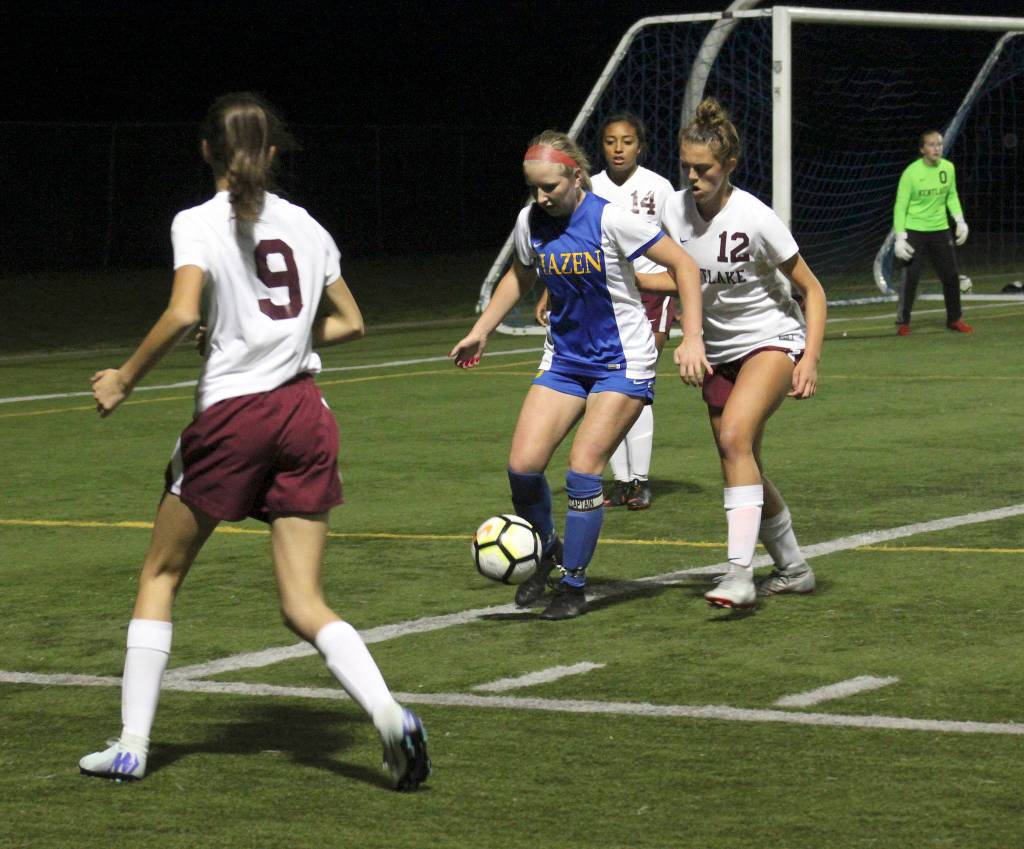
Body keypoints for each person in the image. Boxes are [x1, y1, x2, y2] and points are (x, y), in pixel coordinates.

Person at [79, 93, 430, 791]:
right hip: (306, 413)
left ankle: (131, 743)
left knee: (160, 574)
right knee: (303, 601)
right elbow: (352, 323)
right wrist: (276, 337)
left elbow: (183, 312)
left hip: (237, 417)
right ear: (274, 154)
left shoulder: (198, 221)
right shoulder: (307, 225)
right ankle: (388, 712)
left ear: (206, 151)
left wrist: (122, 378)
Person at [450, 130, 705, 620]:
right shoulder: (532, 221)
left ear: (576, 175)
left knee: (584, 469)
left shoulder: (612, 217)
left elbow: (684, 267)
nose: (541, 198)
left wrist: (691, 337)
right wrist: (483, 330)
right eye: (533, 189)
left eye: (550, 187)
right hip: (564, 360)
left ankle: (574, 584)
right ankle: (547, 552)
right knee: (523, 467)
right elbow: (521, 274)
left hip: (622, 361)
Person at [656, 98, 827, 609]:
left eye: (703, 168)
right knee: (742, 458)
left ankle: (738, 574)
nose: (692, 176)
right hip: (718, 353)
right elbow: (676, 275)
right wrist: (610, 278)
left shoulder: (755, 217)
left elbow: (812, 291)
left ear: (729, 165)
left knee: (734, 437)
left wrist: (811, 358)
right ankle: (794, 568)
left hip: (771, 341)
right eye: (686, 166)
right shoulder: (673, 208)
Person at [534, 111, 675, 511]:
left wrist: (674, 289)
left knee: (634, 387)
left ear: (640, 146)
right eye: (611, 141)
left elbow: (676, 248)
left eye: (627, 141)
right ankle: (620, 480)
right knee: (604, 388)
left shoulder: (658, 188)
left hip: (649, 295)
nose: (618, 148)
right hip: (597, 295)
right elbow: (567, 247)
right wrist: (551, 290)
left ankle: (640, 481)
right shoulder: (585, 188)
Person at [892, 130, 973, 335]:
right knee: (910, 277)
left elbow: (951, 196)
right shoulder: (911, 173)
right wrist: (900, 237)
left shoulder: (948, 168)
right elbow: (900, 207)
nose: (936, 148)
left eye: (939, 144)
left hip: (940, 230)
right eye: (931, 144)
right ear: (922, 149)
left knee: (951, 276)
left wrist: (959, 220)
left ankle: (955, 319)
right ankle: (903, 322)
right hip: (914, 231)